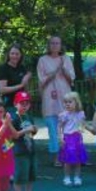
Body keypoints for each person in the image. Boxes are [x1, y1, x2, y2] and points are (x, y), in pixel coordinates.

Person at [37, 36, 76, 167]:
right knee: (53, 130)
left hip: (65, 97)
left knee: (67, 128)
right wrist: (53, 73)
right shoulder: (42, 60)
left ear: (61, 45)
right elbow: (41, 80)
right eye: (52, 43)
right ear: (49, 45)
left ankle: (68, 155)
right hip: (49, 98)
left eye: (57, 43)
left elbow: (72, 79)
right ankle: (56, 157)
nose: (54, 45)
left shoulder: (66, 59)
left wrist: (63, 70)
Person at [58, 92, 96, 186]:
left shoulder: (80, 114)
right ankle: (67, 177)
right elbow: (59, 126)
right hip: (68, 138)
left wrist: (92, 129)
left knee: (78, 160)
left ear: (76, 102)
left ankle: (77, 177)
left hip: (77, 139)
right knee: (67, 160)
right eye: (65, 102)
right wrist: (60, 137)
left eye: (70, 102)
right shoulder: (64, 115)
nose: (67, 104)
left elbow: (83, 124)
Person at [11, 91, 42, 191]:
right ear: (15, 104)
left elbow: (32, 133)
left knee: (30, 173)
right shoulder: (14, 118)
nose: (25, 106)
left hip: (30, 148)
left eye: (27, 103)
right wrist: (26, 130)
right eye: (22, 103)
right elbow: (12, 136)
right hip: (19, 150)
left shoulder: (29, 116)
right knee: (20, 175)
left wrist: (34, 130)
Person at [0, 44, 31, 111]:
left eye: (17, 54)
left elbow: (28, 75)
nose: (14, 56)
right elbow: (2, 90)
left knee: (28, 121)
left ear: (21, 55)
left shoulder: (22, 68)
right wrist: (20, 86)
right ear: (8, 54)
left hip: (22, 104)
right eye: (12, 53)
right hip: (9, 105)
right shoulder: (3, 68)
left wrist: (27, 76)